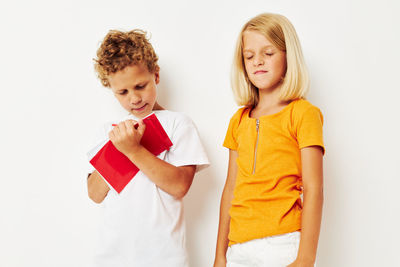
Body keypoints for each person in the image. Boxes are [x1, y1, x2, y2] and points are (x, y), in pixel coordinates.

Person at [87, 29, 209, 267]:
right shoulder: (109, 132)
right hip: (112, 257)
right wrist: (118, 148)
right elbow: (95, 193)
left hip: (164, 257)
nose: (134, 99)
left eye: (140, 86)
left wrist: (133, 150)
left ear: (156, 75)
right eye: (122, 92)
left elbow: (179, 186)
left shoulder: (177, 123)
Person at [214, 13, 324, 267]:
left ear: (288, 56)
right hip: (238, 249)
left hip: (282, 245)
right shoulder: (239, 120)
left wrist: (305, 259)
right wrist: (220, 256)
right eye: (249, 56)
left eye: (269, 53)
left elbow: (314, 188)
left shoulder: (303, 114)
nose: (257, 62)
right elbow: (230, 189)